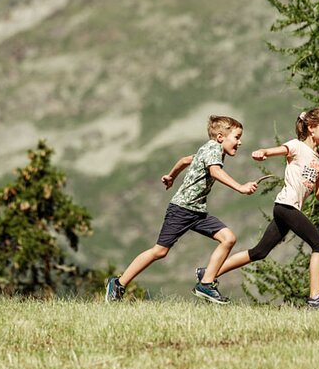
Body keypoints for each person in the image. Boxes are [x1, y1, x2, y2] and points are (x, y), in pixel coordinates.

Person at [199, 107, 319, 309]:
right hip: (286, 206)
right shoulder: (297, 146)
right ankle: (316, 297)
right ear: (311, 128)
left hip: (289, 209)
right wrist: (264, 153)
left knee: (259, 252)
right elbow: (281, 150)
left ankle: (209, 273)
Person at [105, 115, 258, 304]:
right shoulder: (212, 148)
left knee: (228, 238)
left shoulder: (210, 149)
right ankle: (118, 283)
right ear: (220, 137)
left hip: (197, 211)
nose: (240, 142)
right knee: (159, 251)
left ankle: (206, 283)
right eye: (236, 137)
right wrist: (240, 187)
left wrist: (171, 176)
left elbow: (186, 160)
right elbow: (215, 172)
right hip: (182, 209)